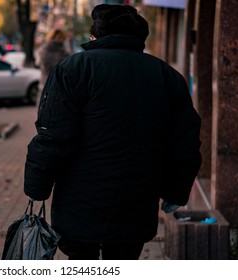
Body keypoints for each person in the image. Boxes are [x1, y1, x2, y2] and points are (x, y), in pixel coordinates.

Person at [24, 4, 202, 260]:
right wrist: (176, 191)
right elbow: (185, 142)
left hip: (79, 204)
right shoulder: (167, 76)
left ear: (95, 36)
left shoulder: (73, 69)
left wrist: (37, 186)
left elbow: (53, 136)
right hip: (137, 203)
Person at [35, 28, 69, 105]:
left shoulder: (42, 51)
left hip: (44, 85)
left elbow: (37, 63)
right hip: (60, 88)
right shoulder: (64, 53)